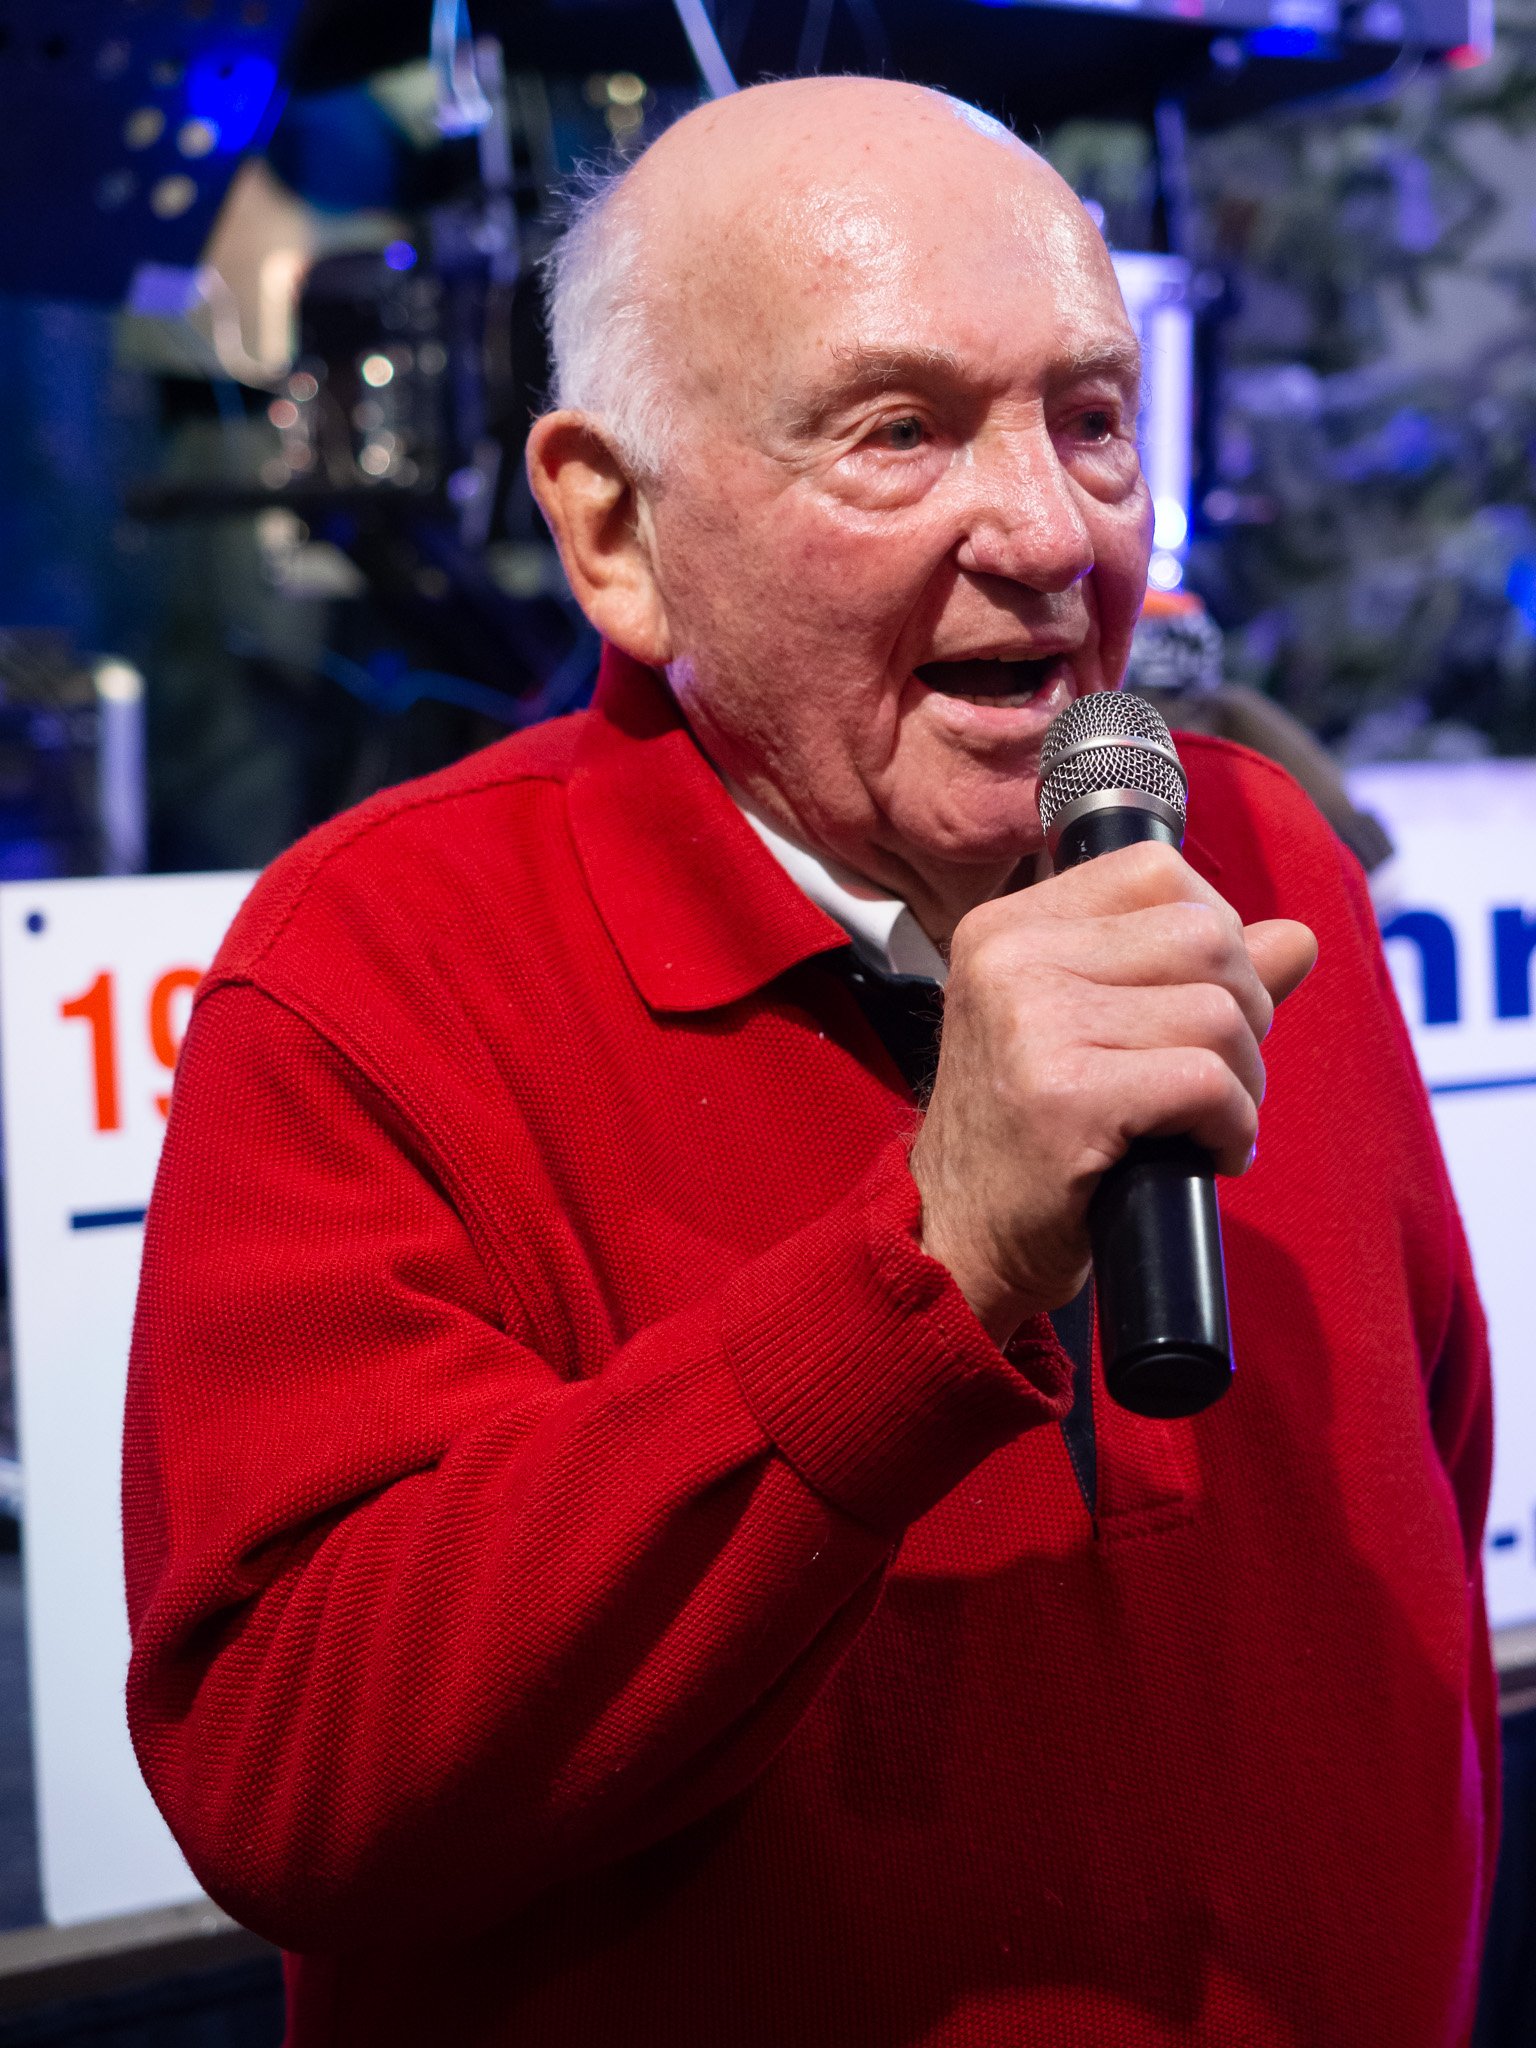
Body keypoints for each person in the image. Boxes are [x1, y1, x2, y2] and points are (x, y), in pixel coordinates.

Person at [123, 77, 1496, 2048]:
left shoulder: (1267, 863)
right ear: (615, 530)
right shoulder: (376, 973)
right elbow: (292, 1776)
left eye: (1091, 416)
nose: (1051, 529)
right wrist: (930, 1266)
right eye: (898, 431)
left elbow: (1428, 1497)